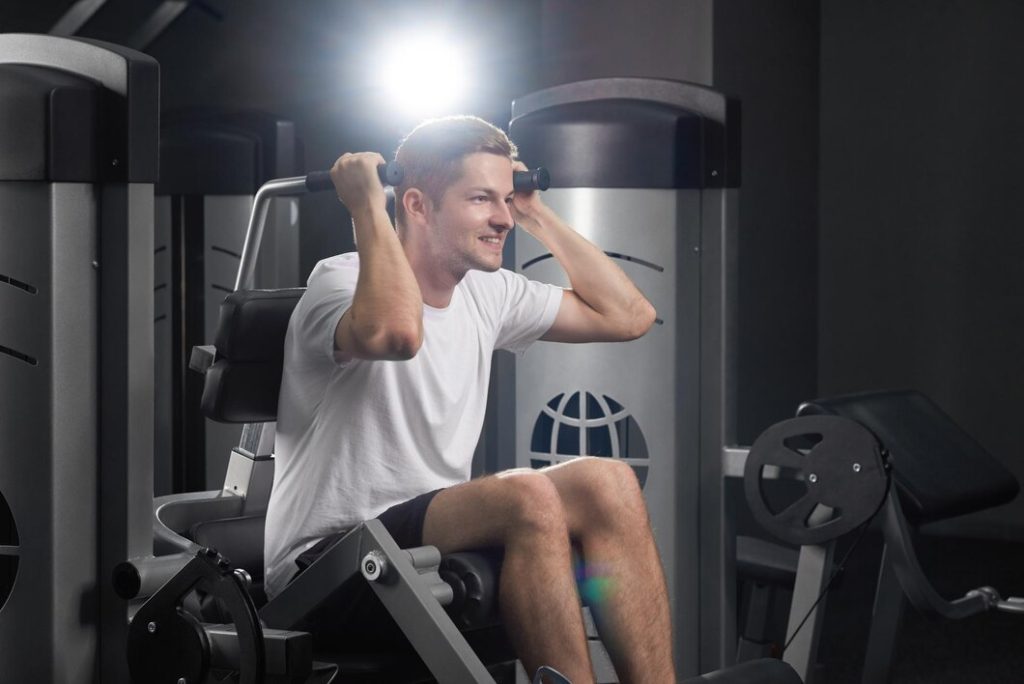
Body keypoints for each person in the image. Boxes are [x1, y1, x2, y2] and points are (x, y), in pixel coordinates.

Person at [264, 115, 674, 683]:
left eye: (506, 200)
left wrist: (532, 210)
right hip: (329, 567)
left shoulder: (488, 291)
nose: (502, 218)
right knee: (526, 496)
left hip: (427, 535)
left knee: (610, 483)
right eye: (482, 199)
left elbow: (630, 316)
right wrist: (365, 208)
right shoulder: (338, 282)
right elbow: (398, 335)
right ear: (417, 205)